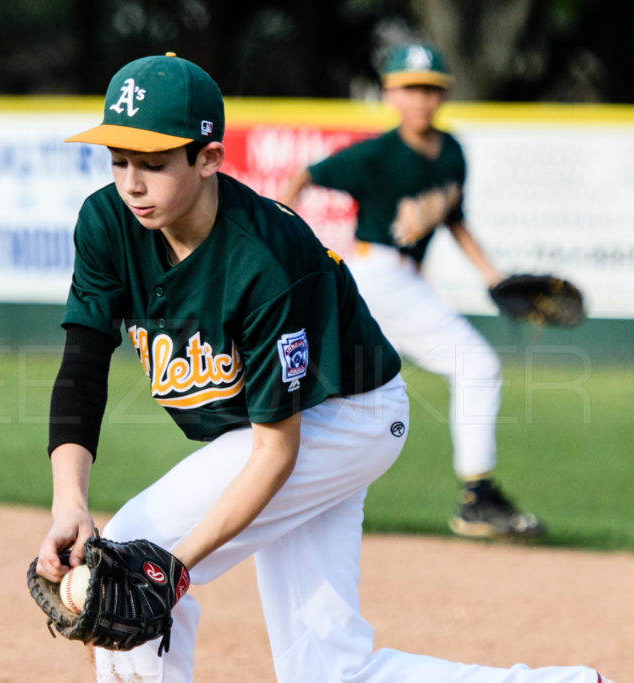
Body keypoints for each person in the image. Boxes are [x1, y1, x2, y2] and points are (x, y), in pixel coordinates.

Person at [36, 52, 611, 682]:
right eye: (117, 160)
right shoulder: (106, 222)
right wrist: (70, 499)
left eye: (153, 162)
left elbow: (276, 454)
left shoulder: (265, 258)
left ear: (208, 159)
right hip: (276, 426)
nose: (131, 183)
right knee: (326, 672)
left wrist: (173, 570)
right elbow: (83, 365)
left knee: (132, 559)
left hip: (347, 415)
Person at [278, 43, 544, 541]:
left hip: (403, 281)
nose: (421, 98)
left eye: (430, 88)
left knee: (347, 392)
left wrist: (493, 278)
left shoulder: (453, 153)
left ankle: (285, 487)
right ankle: (478, 497)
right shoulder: (375, 155)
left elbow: (454, 221)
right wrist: (281, 242)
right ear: (389, 95)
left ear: (442, 96)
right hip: (377, 273)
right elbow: (303, 178)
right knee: (476, 364)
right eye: (410, 88)